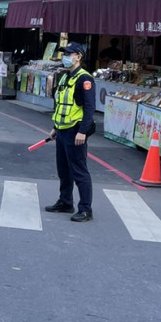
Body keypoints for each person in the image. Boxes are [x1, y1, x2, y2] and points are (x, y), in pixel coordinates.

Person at [45, 42, 96, 222]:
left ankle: (85, 209)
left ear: (78, 56)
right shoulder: (66, 77)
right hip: (62, 130)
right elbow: (61, 105)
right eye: (64, 53)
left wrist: (82, 131)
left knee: (79, 171)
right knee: (64, 170)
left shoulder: (85, 79)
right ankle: (65, 202)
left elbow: (89, 108)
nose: (65, 56)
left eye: (69, 53)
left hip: (75, 131)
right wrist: (55, 128)